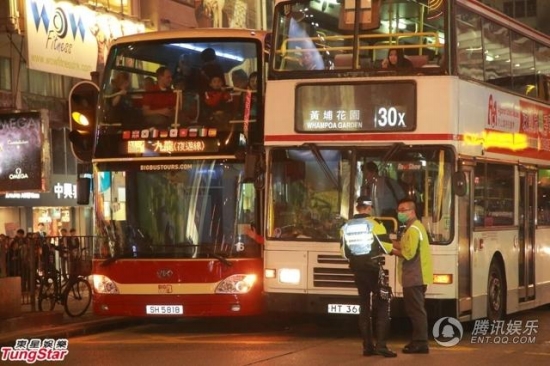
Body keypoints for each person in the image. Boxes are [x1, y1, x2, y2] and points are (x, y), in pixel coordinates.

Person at [340, 196, 397, 358]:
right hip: (373, 269)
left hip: (357, 271)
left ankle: (367, 347)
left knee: (364, 306)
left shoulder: (346, 226)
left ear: (357, 208)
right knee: (383, 304)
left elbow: (344, 253)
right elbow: (387, 247)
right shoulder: (375, 224)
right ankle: (382, 346)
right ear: (370, 208)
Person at [391, 198, 433, 354]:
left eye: (403, 210)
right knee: (415, 310)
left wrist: (389, 250)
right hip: (414, 276)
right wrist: (389, 242)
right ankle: (417, 341)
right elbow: (404, 245)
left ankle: (421, 343)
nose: (400, 213)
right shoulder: (412, 228)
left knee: (416, 311)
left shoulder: (414, 229)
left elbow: (407, 253)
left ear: (412, 211)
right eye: (398, 210)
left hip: (415, 276)